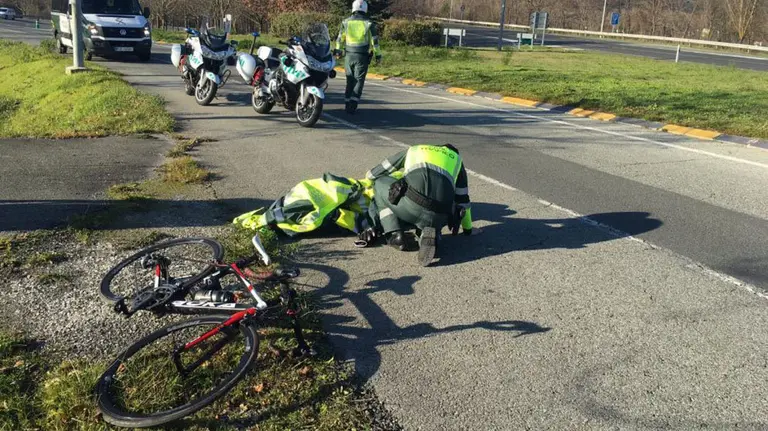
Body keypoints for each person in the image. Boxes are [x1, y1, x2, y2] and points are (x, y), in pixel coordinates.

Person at [362, 144, 473, 266]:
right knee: (433, 213)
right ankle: (430, 234)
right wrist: (468, 229)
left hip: (411, 207)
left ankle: (394, 234)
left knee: (379, 183)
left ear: (439, 147)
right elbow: (463, 199)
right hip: (442, 214)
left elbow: (374, 174)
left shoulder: (415, 150)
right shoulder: (457, 160)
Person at [335, 0, 382, 114]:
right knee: (359, 80)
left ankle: (347, 102)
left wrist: (338, 51)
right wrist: (378, 55)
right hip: (362, 56)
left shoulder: (346, 22)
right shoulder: (369, 23)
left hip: (348, 56)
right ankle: (353, 103)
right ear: (365, 9)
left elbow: (340, 38)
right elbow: (374, 42)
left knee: (350, 80)